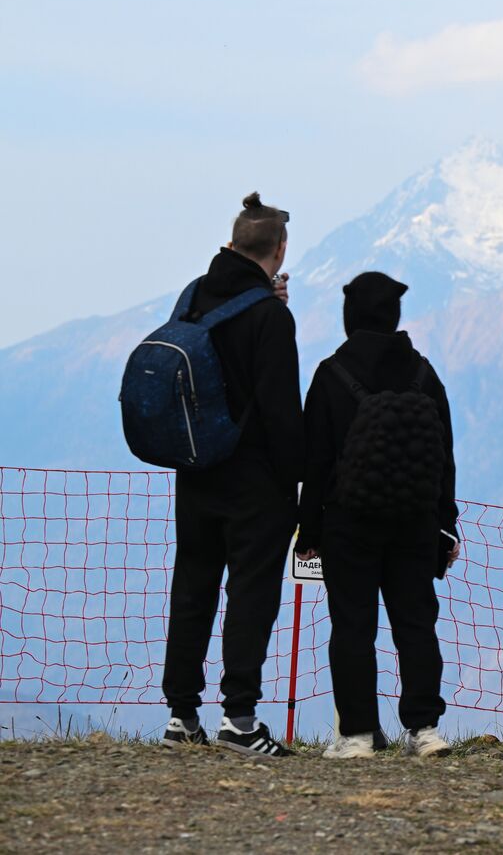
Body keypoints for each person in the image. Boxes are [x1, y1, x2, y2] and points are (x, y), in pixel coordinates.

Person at [294, 272, 460, 759]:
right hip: (414, 522)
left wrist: (309, 528)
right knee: (415, 623)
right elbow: (444, 458)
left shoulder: (331, 373)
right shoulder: (424, 374)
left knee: (352, 626)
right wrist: (444, 524)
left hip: (349, 523)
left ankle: (359, 734)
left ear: (350, 317)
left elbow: (316, 461)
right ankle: (425, 729)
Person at [161, 192, 303, 758]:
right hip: (255, 481)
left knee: (193, 587)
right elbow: (279, 408)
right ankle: (239, 719)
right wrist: (300, 484)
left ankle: (181, 715)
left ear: (232, 243)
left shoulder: (193, 297)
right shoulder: (269, 316)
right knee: (251, 593)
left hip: (195, 471)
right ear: (279, 249)